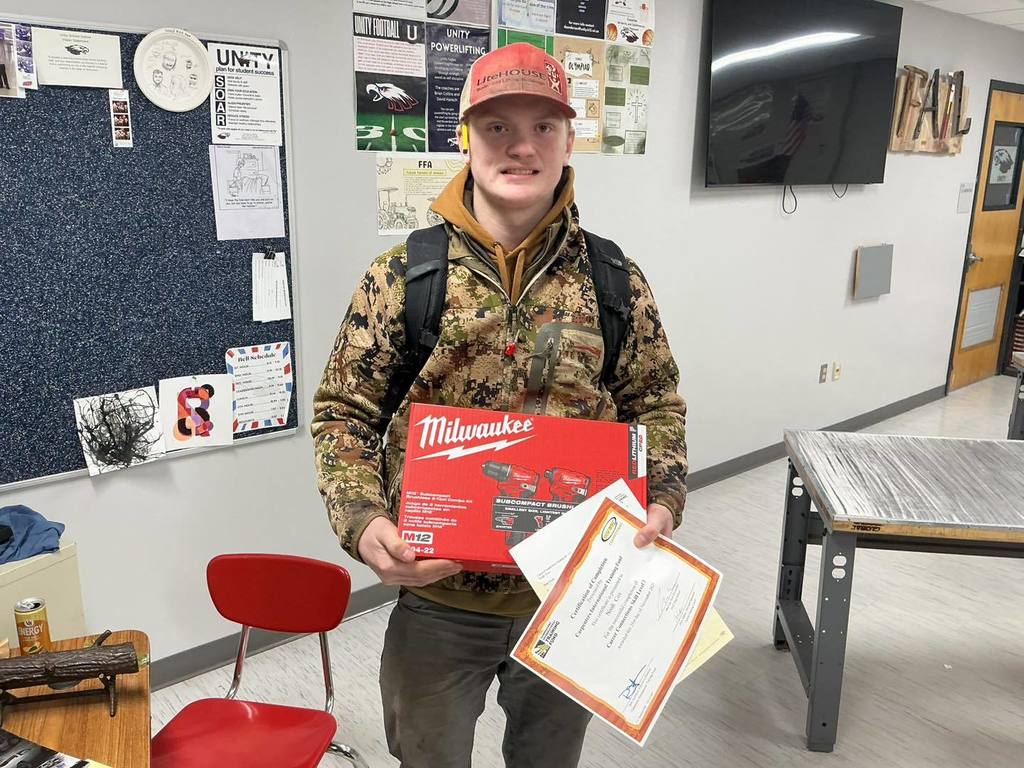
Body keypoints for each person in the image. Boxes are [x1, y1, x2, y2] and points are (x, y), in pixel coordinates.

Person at [312, 43, 687, 768]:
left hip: (575, 591)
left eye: (543, 125)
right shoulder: (403, 277)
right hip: (440, 596)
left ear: (570, 139)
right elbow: (344, 413)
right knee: (427, 757)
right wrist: (363, 522)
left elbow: (655, 405)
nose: (521, 145)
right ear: (466, 138)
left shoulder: (613, 278)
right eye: (497, 127)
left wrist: (663, 496)